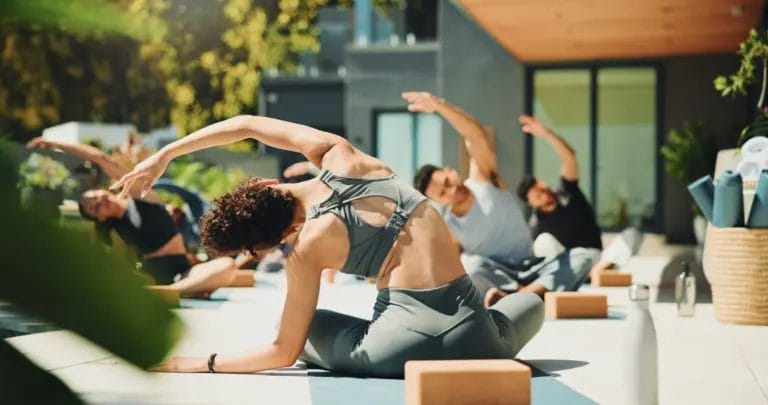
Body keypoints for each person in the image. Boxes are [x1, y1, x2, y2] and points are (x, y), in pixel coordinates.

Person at [109, 115, 544, 378]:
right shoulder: (344, 157)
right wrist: (164, 155)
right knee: (531, 305)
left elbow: (283, 352)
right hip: (479, 337)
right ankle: (494, 309)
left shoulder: (307, 248)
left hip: (400, 351)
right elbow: (244, 125)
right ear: (266, 183)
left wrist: (201, 363)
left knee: (312, 325)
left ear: (275, 240)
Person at [406, 92, 596, 305]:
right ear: (438, 202)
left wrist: (439, 106)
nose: (451, 191)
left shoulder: (484, 178)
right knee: (471, 265)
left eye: (447, 182)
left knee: (582, 257)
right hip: (498, 276)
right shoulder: (449, 226)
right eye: (443, 193)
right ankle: (531, 294)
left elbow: (475, 135)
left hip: (532, 266)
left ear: (450, 170)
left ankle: (520, 297)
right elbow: (449, 267)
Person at [26, 137, 239, 296]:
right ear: (99, 219)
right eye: (94, 208)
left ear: (104, 190)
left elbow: (100, 158)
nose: (99, 202)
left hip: (180, 271)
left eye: (96, 197)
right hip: (150, 276)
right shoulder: (115, 230)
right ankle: (174, 291)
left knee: (227, 266)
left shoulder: (140, 194)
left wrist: (56, 143)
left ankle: (174, 291)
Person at [514, 115, 643, 275]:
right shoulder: (537, 225)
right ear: (532, 203)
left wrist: (546, 133)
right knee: (542, 242)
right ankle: (580, 276)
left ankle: (598, 272)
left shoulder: (567, 190)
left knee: (633, 234)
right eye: (537, 196)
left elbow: (569, 157)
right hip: (570, 264)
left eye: (541, 188)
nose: (543, 194)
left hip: (598, 259)